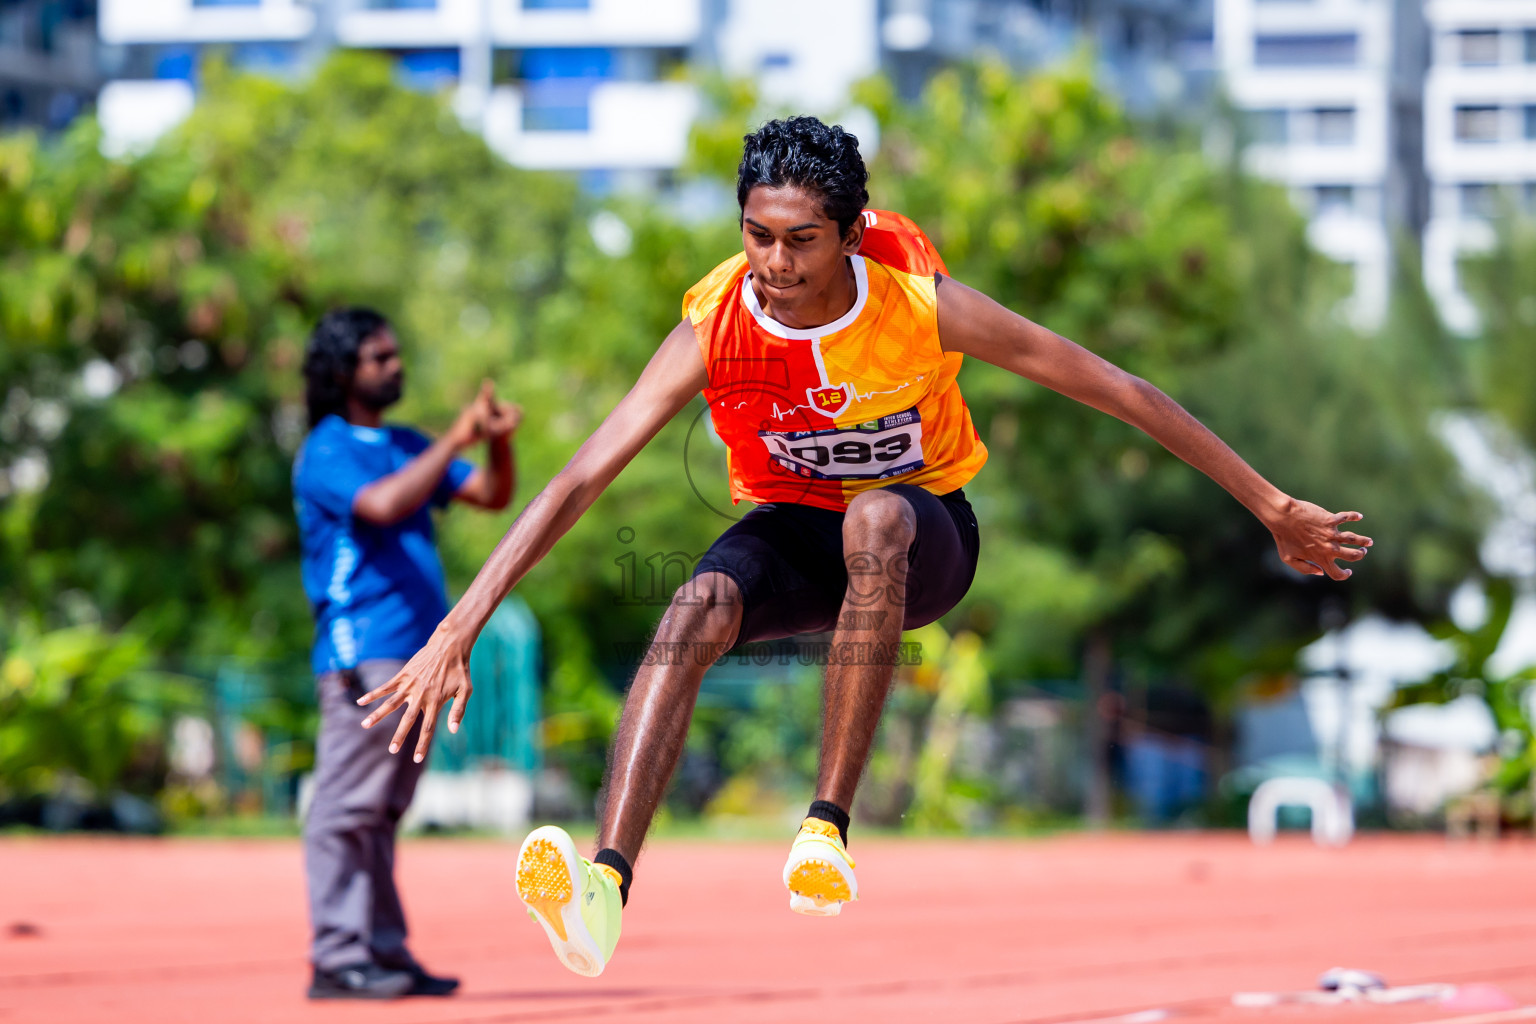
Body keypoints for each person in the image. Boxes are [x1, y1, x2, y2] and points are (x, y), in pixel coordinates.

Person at [356, 118, 1372, 977]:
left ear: (849, 234)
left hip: (923, 530)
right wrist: (460, 623)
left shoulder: (919, 309)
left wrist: (1270, 502)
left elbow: (1121, 390)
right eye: (758, 236)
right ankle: (603, 890)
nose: (777, 264)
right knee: (693, 608)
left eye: (802, 241)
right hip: (798, 525)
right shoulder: (718, 324)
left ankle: (825, 831)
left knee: (874, 516)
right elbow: (579, 475)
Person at [293, 307, 521, 998]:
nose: (395, 367)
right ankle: (337, 957)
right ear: (341, 373)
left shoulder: (402, 441)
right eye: (378, 359)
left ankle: (383, 952)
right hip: (364, 648)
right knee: (345, 810)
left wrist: (497, 443)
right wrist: (457, 434)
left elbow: (489, 491)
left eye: (395, 355)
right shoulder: (327, 449)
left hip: (415, 654)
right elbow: (385, 505)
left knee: (384, 810)